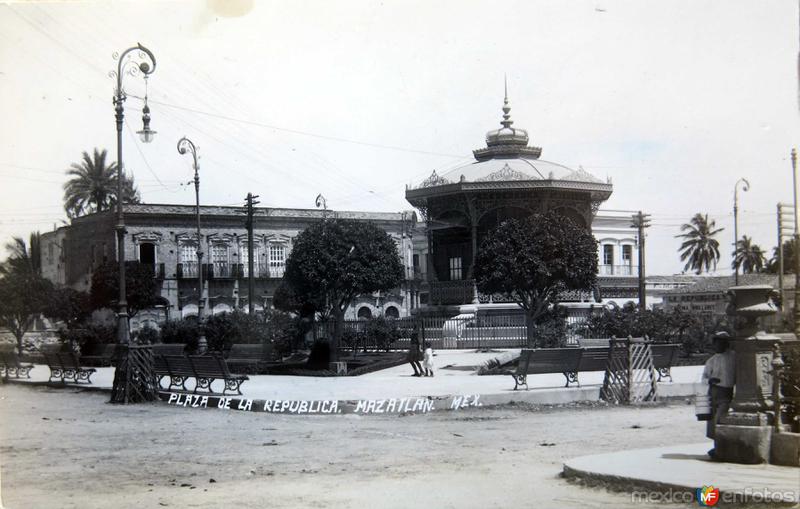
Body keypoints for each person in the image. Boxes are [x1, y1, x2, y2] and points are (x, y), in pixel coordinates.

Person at [702, 331, 736, 458]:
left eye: (721, 343)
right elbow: (704, 377)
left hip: (727, 392)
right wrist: (710, 380)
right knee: (713, 421)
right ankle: (717, 447)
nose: (718, 346)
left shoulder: (734, 357)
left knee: (720, 419)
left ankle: (721, 447)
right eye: (716, 343)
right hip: (714, 391)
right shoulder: (712, 360)